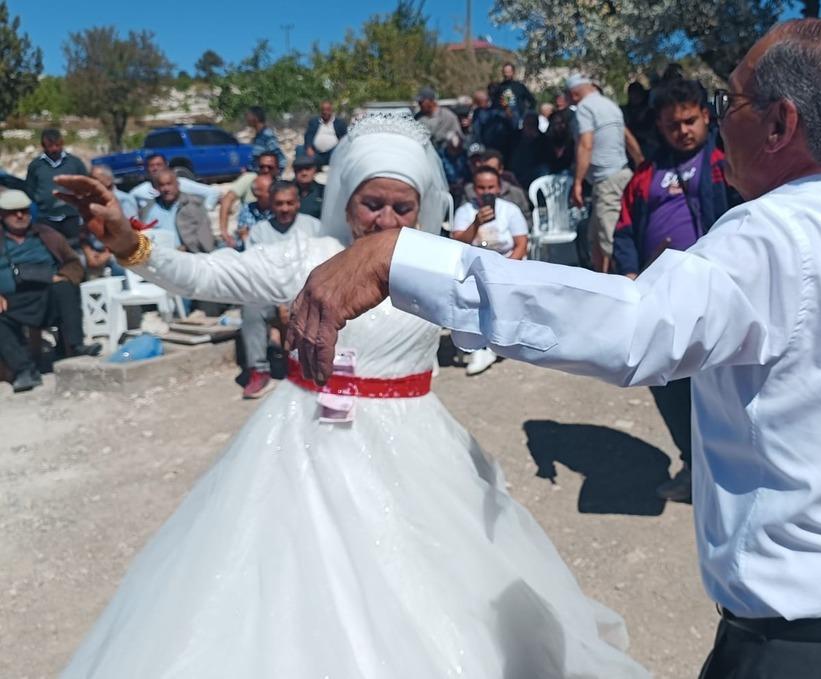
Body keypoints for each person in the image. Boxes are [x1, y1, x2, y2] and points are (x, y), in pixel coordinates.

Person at [288, 19, 821, 678]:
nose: (721, 122)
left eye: (731, 101)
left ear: (779, 124)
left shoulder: (775, 236)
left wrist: (403, 261)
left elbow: (630, 328)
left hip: (801, 650)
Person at [54, 114, 649, 678]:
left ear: (422, 208)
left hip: (416, 441)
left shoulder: (434, 264)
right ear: (346, 202)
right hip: (303, 439)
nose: (386, 218)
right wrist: (129, 242)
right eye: (372, 203)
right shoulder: (308, 256)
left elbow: (523, 311)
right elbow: (209, 275)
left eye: (402, 206)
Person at [612, 77, 739, 502]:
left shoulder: (726, 163)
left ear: (706, 116)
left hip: (716, 297)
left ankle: (730, 473)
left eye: (689, 121)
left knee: (723, 388)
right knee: (666, 382)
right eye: (672, 125)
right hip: (661, 299)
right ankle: (692, 464)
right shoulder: (645, 175)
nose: (682, 131)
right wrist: (630, 272)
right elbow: (625, 228)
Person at [0, 190, 100, 393]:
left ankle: (76, 347)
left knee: (65, 288)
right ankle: (24, 370)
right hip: (12, 300)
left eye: (23, 211)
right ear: (2, 215)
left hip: (48, 294)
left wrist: (63, 276)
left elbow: (74, 263)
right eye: (13, 212)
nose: (19, 216)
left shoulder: (47, 234)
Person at [239, 181, 322, 399]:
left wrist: (295, 299)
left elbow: (321, 267)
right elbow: (257, 272)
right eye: (279, 204)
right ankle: (258, 370)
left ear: (298, 203)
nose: (284, 208)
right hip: (271, 294)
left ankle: (315, 366)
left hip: (307, 292)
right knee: (251, 308)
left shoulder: (314, 227)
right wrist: (280, 303)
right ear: (271, 205)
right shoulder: (259, 232)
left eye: (289, 203)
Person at [451, 165, 529, 376]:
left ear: (499, 187)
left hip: (506, 262)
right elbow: (457, 244)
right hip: (475, 266)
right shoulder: (465, 211)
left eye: (491, 187)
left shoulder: (509, 210)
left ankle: (496, 341)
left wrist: (506, 269)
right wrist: (476, 224)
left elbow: (521, 244)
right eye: (481, 188)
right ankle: (480, 345)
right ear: (474, 189)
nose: (487, 192)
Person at [567, 73, 644, 272]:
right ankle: (601, 280)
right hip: (623, 175)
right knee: (595, 239)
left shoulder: (584, 108)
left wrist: (577, 182)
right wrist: (641, 164)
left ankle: (626, 282)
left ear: (574, 94)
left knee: (611, 240)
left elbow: (586, 144)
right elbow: (627, 137)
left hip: (607, 182)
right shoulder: (610, 105)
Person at [24, 129, 88, 247]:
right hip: (45, 218)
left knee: (75, 249)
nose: (54, 149)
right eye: (50, 146)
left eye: (57, 145)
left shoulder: (75, 163)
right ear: (43, 146)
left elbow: (85, 186)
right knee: (49, 249)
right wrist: (41, 200)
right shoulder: (35, 165)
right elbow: (30, 189)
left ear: (62, 143)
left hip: (71, 216)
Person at [139, 169, 217, 253]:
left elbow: (205, 236)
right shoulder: (149, 209)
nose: (166, 189)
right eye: (162, 185)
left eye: (169, 184)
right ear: (157, 188)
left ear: (177, 184)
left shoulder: (193, 204)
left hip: (189, 254)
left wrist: (188, 247)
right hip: (160, 254)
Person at [217, 151, 282, 245]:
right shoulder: (249, 179)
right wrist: (224, 231)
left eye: (270, 167)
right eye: (262, 167)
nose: (265, 170)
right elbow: (228, 199)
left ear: (277, 169)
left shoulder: (282, 187)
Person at [84, 166, 133, 278]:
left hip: (118, 252)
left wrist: (106, 255)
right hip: (95, 252)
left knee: (119, 266)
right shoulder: (88, 203)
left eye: (95, 179)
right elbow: (83, 233)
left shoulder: (124, 200)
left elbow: (130, 233)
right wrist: (88, 253)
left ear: (108, 181)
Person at [128, 153, 222, 210]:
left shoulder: (181, 184)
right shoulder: (139, 192)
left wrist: (204, 211)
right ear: (146, 169)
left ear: (166, 165)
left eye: (159, 165)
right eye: (151, 166)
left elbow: (213, 192)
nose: (155, 168)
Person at [464, 148, 531, 217]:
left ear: (500, 169)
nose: (488, 174)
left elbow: (526, 218)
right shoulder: (468, 192)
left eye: (492, 170)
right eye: (485, 169)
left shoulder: (515, 193)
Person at [415, 86, 464, 155]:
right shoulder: (417, 118)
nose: (420, 104)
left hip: (446, 155)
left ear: (431, 101)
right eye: (419, 102)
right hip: (426, 155)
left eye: (422, 102)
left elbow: (459, 137)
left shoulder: (447, 116)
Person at [235, 174, 275, 250]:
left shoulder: (277, 210)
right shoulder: (247, 209)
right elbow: (243, 236)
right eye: (269, 191)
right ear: (257, 194)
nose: (274, 194)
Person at [302, 100, 347, 166]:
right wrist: (309, 148)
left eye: (327, 110)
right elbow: (308, 136)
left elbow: (344, 138)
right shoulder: (314, 122)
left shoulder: (339, 123)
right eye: (323, 110)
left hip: (333, 152)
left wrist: (340, 147)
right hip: (316, 153)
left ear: (331, 110)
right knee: (300, 150)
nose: (325, 112)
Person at [495, 62, 537, 126]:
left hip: (519, 117)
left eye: (509, 72)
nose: (507, 74)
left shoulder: (520, 86)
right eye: (505, 72)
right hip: (503, 117)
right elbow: (495, 103)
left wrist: (526, 113)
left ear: (513, 72)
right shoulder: (499, 87)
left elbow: (532, 100)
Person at [245, 105, 286, 169]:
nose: (246, 119)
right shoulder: (257, 137)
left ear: (255, 118)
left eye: (248, 116)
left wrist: (275, 173)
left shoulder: (267, 136)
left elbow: (281, 159)